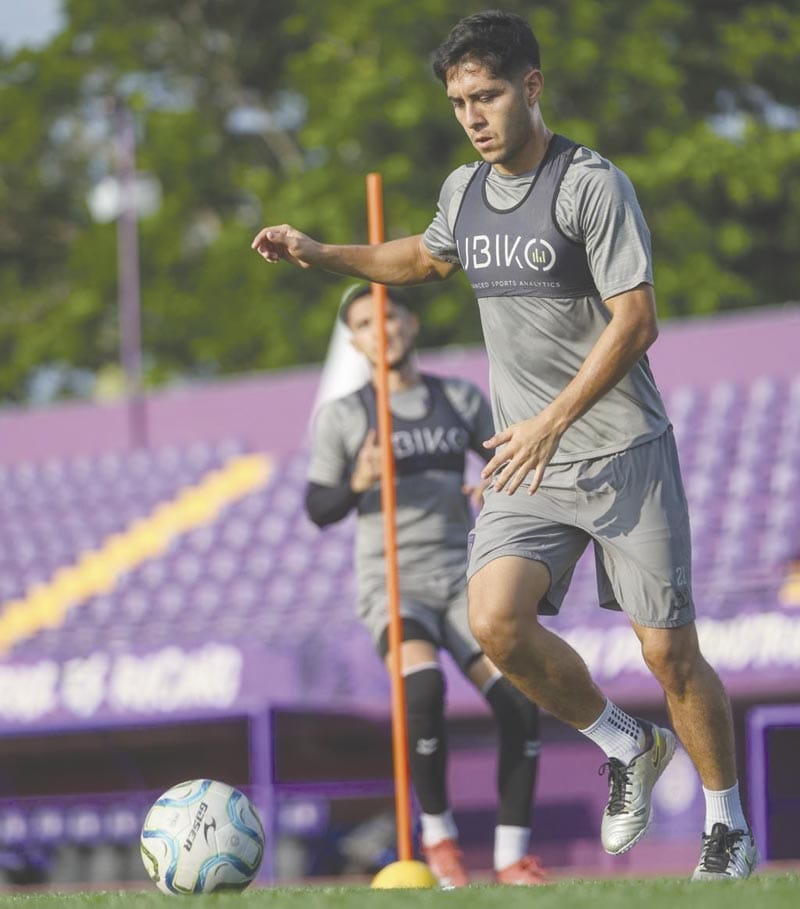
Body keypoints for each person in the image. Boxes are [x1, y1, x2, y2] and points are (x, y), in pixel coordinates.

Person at [253, 10, 759, 881]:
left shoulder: (591, 184)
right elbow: (422, 258)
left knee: (668, 653)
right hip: (528, 462)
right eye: (458, 102)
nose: (473, 116)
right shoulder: (463, 191)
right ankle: (623, 742)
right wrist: (321, 251)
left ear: (531, 86)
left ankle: (727, 825)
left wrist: (554, 418)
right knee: (493, 620)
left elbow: (637, 321)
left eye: (486, 95)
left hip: (622, 452)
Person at [304, 283, 547, 887]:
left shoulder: (459, 399)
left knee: (519, 702)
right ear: (354, 340)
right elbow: (317, 507)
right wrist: (360, 480)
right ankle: (440, 843)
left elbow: (508, 458)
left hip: (460, 581)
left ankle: (513, 857)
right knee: (425, 693)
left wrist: (492, 484)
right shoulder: (344, 416)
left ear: (409, 323)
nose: (379, 329)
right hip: (394, 584)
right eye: (363, 323)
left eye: (388, 316)